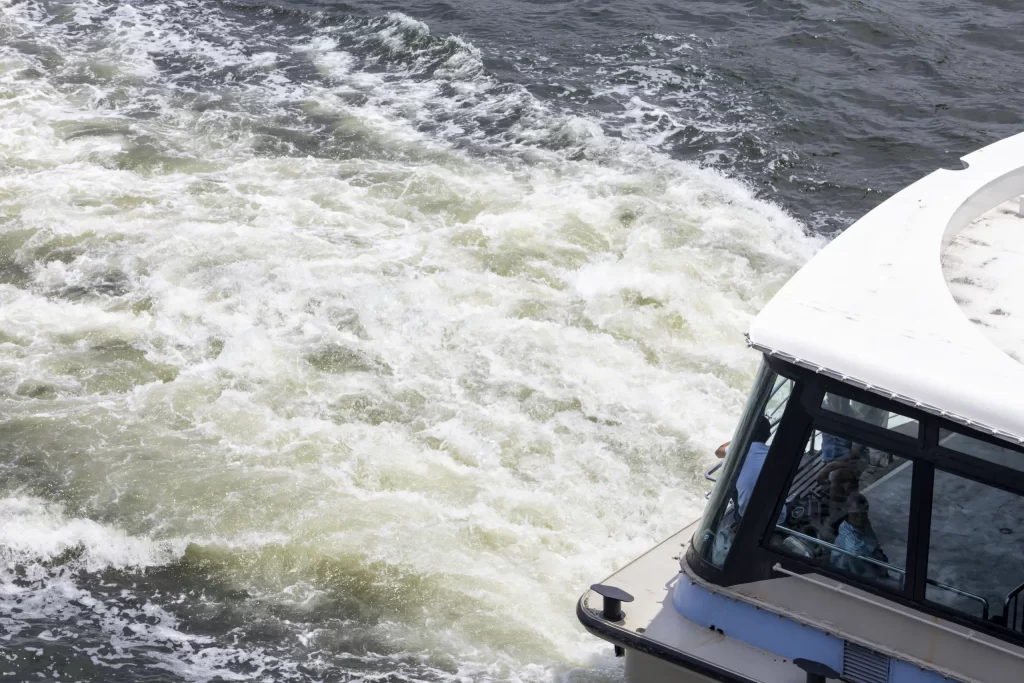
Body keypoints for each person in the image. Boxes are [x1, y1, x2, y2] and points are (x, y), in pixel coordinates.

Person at [830, 494, 888, 579]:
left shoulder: (865, 523)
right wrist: (873, 550)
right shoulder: (846, 530)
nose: (860, 518)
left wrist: (876, 551)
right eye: (855, 514)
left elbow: (873, 540)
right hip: (844, 568)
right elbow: (854, 550)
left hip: (864, 561)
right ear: (848, 513)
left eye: (863, 513)